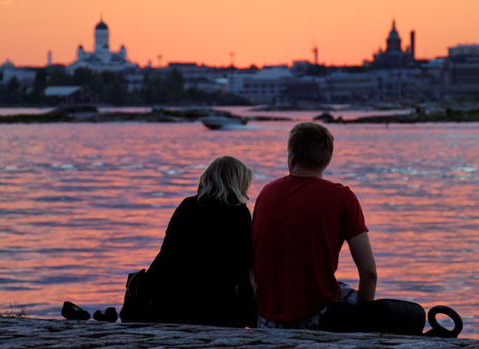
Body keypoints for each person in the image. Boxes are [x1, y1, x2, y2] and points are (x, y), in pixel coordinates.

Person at [251, 122, 377, 330]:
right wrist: (363, 322)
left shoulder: (266, 193)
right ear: (326, 161)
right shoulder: (342, 197)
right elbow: (369, 272)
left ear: (292, 159)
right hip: (317, 317)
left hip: (267, 319)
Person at [143, 156, 256, 327]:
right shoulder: (238, 213)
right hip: (219, 307)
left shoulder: (187, 206)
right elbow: (243, 263)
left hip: (174, 302)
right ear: (236, 184)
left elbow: (167, 254)